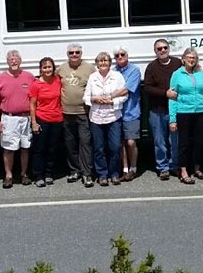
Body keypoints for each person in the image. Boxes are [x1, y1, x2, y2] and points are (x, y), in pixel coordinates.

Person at [0, 50, 37, 188]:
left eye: (16, 59)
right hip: (9, 118)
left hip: (26, 118)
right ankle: (8, 175)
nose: (14, 61)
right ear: (7, 61)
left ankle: (24, 174)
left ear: (20, 61)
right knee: (9, 149)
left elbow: (35, 98)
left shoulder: (29, 77)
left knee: (25, 148)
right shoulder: (0, 79)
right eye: (11, 59)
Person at [84, 51, 129, 187]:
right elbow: (86, 97)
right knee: (99, 148)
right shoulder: (92, 77)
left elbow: (125, 95)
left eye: (105, 61)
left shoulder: (117, 76)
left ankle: (114, 174)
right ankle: (102, 175)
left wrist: (111, 102)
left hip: (113, 116)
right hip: (96, 117)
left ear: (110, 63)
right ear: (97, 64)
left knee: (115, 146)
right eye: (100, 61)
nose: (103, 63)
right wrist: (95, 99)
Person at [167, 48, 203, 183]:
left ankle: (197, 168)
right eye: (189, 57)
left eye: (194, 57)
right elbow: (172, 97)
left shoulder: (202, 74)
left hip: (200, 112)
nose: (191, 60)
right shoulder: (177, 74)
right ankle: (184, 170)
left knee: (199, 142)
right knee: (184, 143)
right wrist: (172, 119)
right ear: (183, 59)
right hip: (183, 112)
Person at [55, 44, 96, 187]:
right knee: (70, 144)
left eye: (77, 52)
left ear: (81, 53)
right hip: (66, 113)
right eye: (71, 53)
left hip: (83, 113)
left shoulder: (89, 68)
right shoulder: (61, 68)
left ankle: (87, 174)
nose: (74, 55)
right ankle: (74, 170)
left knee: (85, 143)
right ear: (67, 54)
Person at [142, 39, 183, 180]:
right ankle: (162, 167)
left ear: (169, 49)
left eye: (165, 47)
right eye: (159, 49)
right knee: (159, 142)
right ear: (155, 51)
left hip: (175, 110)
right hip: (157, 110)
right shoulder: (151, 67)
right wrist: (165, 93)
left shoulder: (178, 63)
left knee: (175, 141)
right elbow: (147, 88)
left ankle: (175, 166)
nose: (163, 50)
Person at [28, 57, 63, 187]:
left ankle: (49, 174)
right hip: (42, 119)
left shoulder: (58, 81)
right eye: (45, 67)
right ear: (40, 69)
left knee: (52, 149)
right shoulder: (36, 84)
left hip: (57, 119)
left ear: (53, 68)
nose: (47, 69)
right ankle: (38, 175)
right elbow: (32, 105)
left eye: (49, 67)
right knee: (39, 149)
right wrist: (34, 122)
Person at [114, 47, 143, 181]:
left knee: (131, 142)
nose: (120, 57)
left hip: (131, 112)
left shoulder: (134, 71)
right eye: (117, 55)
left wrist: (110, 95)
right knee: (121, 143)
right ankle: (125, 170)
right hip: (115, 112)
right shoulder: (113, 71)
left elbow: (127, 90)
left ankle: (134, 168)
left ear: (127, 55)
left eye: (122, 54)